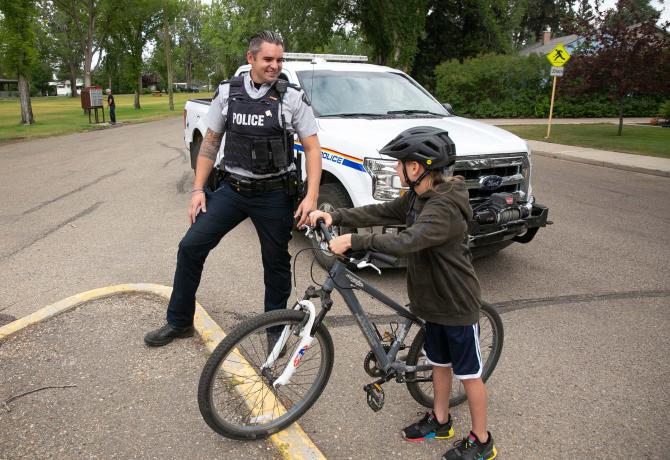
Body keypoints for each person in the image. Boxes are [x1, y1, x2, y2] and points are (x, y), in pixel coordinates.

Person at [308, 126, 496, 460]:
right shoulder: (416, 197)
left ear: (417, 167)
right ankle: (440, 420)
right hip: (431, 302)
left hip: (455, 304)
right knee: (438, 364)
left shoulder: (444, 208)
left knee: (469, 376)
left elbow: (408, 241)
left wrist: (355, 241)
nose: (396, 169)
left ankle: (481, 440)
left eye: (400, 163)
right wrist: (336, 215)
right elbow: (380, 212)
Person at [144, 31, 322, 347]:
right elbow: (210, 143)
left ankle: (275, 333)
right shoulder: (228, 93)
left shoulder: (291, 97)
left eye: (280, 59)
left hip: (274, 195)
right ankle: (179, 321)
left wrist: (311, 196)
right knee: (190, 246)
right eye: (268, 59)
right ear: (250, 58)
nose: (275, 65)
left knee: (276, 266)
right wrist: (198, 189)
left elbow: (312, 149)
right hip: (233, 190)